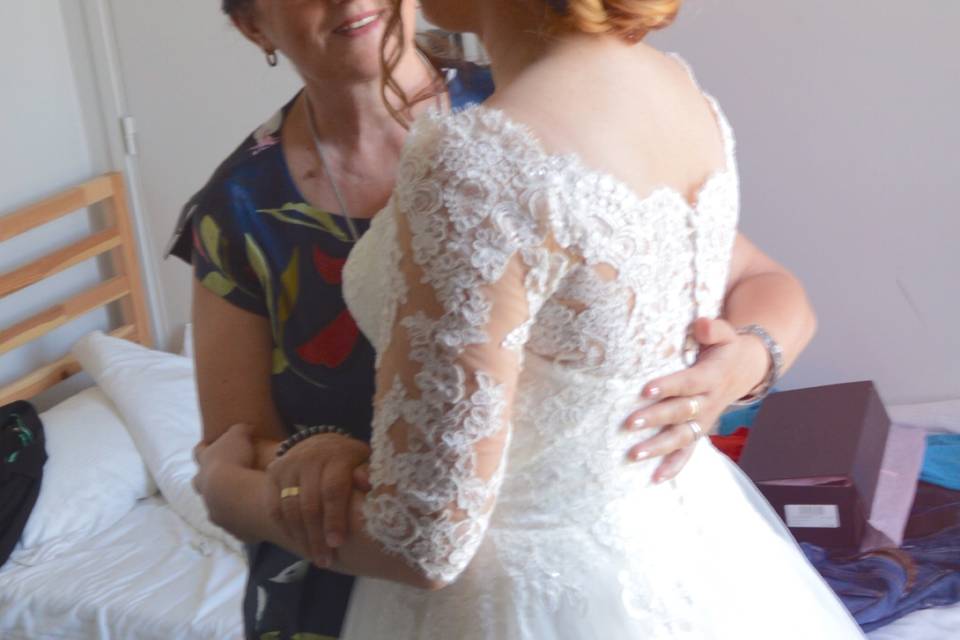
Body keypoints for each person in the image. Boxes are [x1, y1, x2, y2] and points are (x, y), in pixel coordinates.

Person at [171, 2, 838, 639]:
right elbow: (233, 438)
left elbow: (750, 278)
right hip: (336, 547)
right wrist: (296, 459)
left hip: (506, 569)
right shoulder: (239, 209)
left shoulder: (525, 108)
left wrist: (737, 368)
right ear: (253, 23)